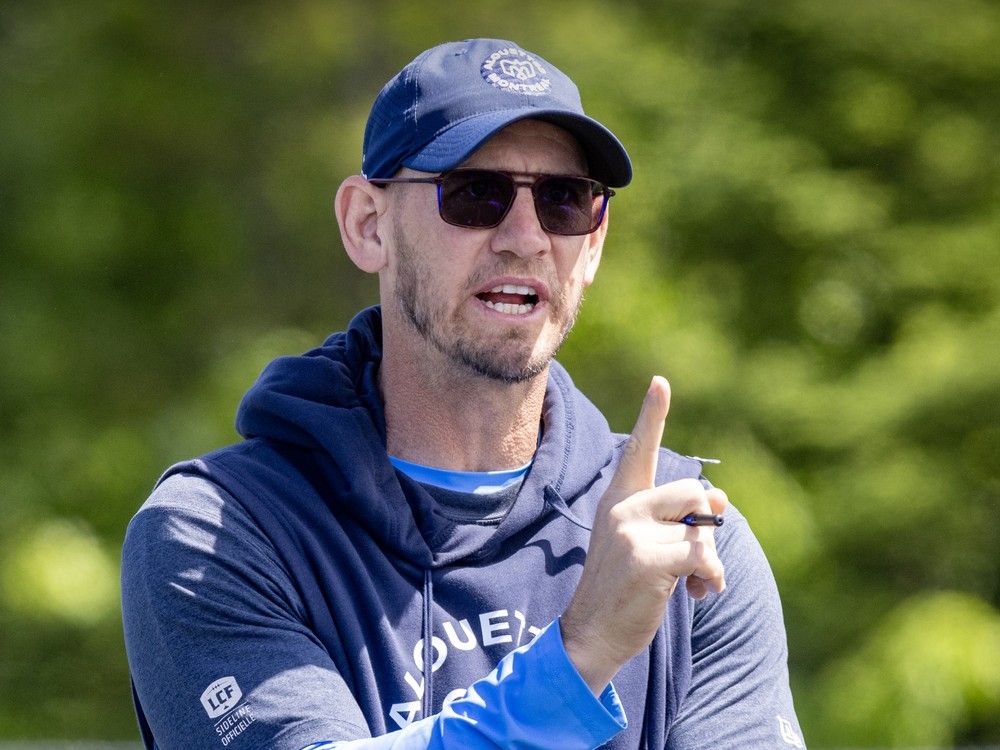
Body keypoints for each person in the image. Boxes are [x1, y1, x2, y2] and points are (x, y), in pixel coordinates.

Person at [121, 38, 806, 750]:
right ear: (367, 224)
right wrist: (579, 658)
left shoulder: (683, 535)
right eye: (476, 193)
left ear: (594, 245)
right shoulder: (219, 532)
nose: (526, 238)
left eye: (565, 201)